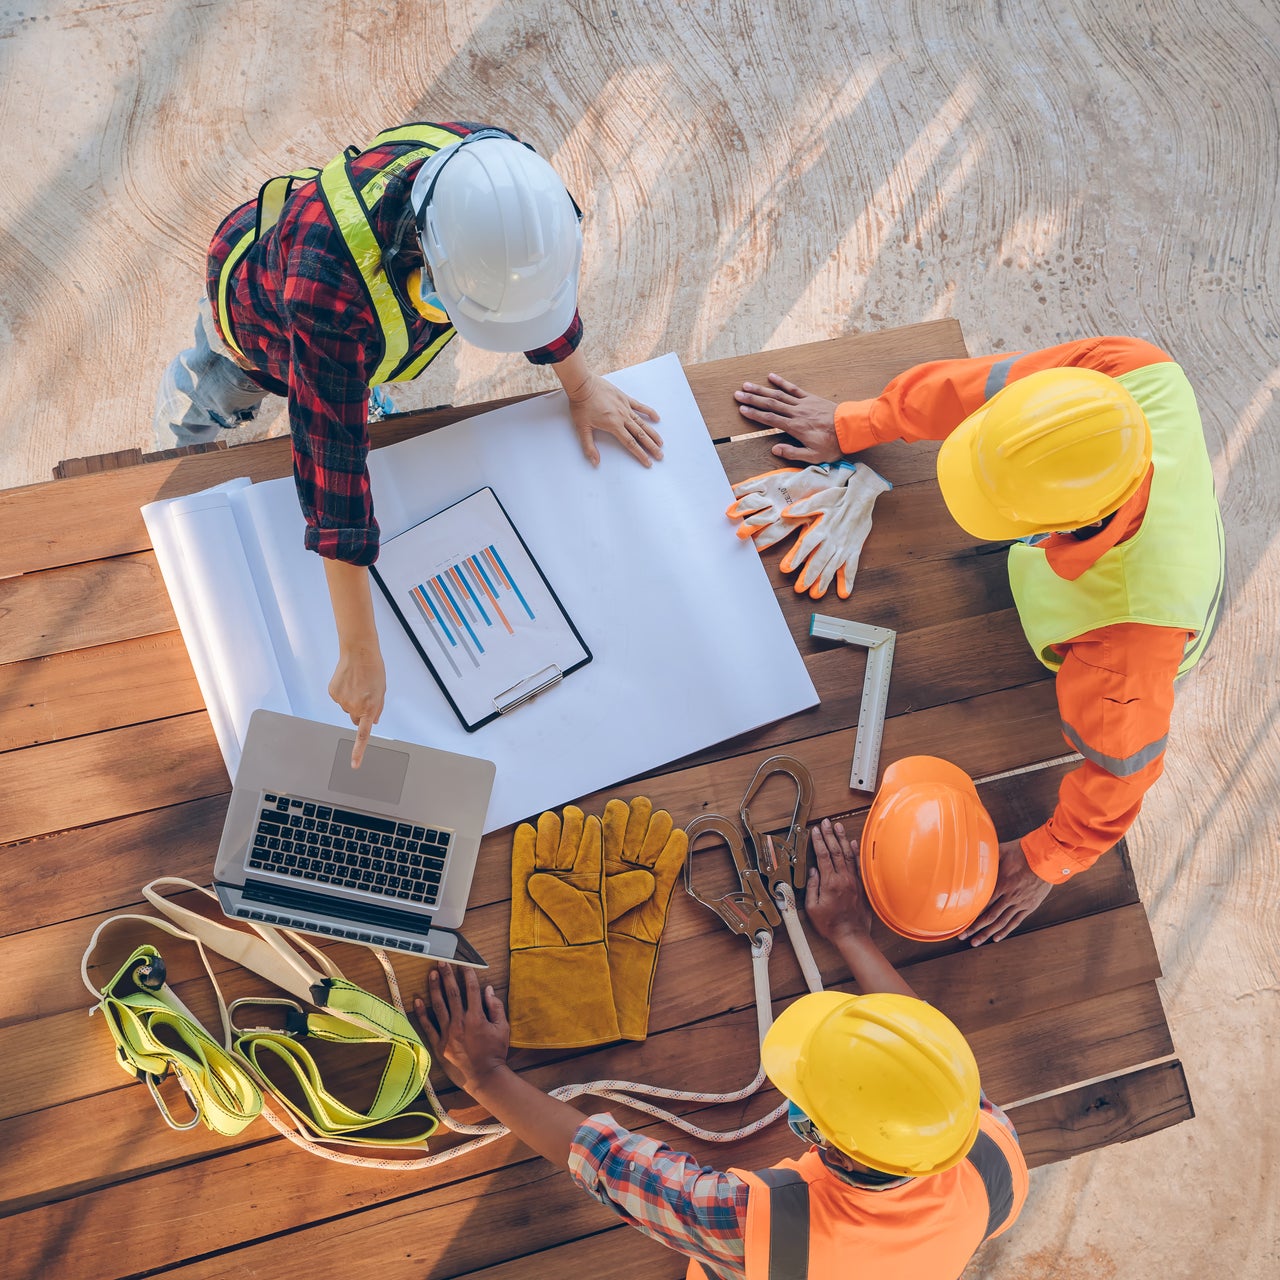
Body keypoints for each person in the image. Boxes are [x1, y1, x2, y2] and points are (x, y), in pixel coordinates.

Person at [155, 121, 662, 765]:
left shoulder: (499, 182)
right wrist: (360, 651)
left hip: (346, 332)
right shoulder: (328, 293)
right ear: (423, 261)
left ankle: (355, 383)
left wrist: (581, 383)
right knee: (209, 403)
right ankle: (177, 442)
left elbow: (529, 289)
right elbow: (331, 465)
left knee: (346, 383)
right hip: (256, 325)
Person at [734, 337, 1223, 944]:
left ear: (1061, 527)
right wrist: (858, 423)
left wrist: (1052, 856)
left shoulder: (1124, 654)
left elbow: (1125, 772)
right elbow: (980, 386)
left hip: (1146, 616)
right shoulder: (1128, 371)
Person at [416, 818, 1027, 1278]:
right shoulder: (987, 1146)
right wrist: (849, 934)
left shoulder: (764, 1231)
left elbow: (617, 1168)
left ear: (828, 1143)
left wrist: (485, 1076)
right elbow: (912, 1045)